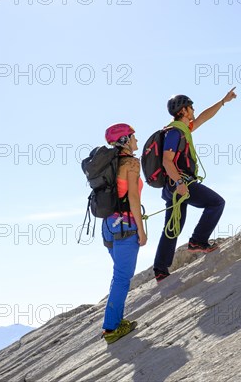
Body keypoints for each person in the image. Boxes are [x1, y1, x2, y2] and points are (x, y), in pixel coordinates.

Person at [153, 88, 237, 282]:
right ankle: (198, 241)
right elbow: (167, 160)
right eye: (190, 107)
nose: (193, 110)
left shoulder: (183, 129)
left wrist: (223, 101)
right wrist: (180, 182)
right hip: (180, 183)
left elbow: (204, 118)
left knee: (172, 227)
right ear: (183, 110)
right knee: (216, 203)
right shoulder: (174, 132)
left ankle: (160, 269)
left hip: (173, 185)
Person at [101, 123, 147, 344]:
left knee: (118, 275)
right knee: (122, 278)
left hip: (108, 225)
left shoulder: (109, 164)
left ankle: (115, 321)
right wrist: (141, 229)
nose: (136, 140)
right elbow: (133, 199)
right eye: (133, 137)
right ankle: (111, 328)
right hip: (125, 225)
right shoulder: (131, 162)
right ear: (125, 140)